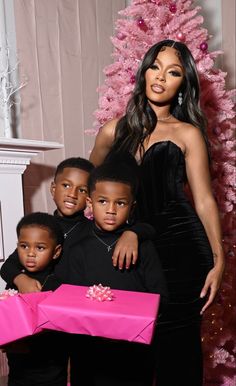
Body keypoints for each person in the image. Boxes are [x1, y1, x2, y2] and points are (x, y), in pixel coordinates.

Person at [88, 40, 225, 386]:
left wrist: (218, 260)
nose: (161, 77)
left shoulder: (188, 133)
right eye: (155, 67)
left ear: (184, 84)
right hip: (127, 253)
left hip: (181, 251)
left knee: (178, 355)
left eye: (174, 71)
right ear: (144, 71)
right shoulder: (113, 131)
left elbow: (205, 200)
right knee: (125, 355)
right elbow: (92, 190)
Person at [54, 157, 168, 386]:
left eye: (121, 203)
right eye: (103, 201)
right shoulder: (78, 249)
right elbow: (69, 303)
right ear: (90, 202)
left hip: (133, 354)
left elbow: (161, 298)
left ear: (132, 206)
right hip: (89, 355)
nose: (111, 210)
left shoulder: (142, 247)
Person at [1, 156, 153, 293]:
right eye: (66, 186)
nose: (72, 195)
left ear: (90, 198)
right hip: (32, 297)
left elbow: (148, 228)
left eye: (82, 190)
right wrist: (21, 279)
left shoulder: (93, 229)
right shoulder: (42, 227)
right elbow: (8, 266)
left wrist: (132, 233)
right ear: (53, 189)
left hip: (67, 301)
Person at [4, 212, 69, 386]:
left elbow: (59, 328)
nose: (30, 253)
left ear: (56, 252)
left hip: (50, 370)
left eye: (39, 248)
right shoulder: (14, 280)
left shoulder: (57, 284)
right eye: (24, 246)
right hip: (18, 369)